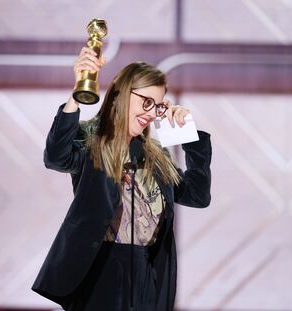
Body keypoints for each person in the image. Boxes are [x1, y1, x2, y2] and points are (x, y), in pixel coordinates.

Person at [31, 47, 212, 311]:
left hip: (148, 271)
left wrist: (189, 137)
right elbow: (56, 158)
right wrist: (78, 91)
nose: (151, 113)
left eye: (158, 105)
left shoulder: (155, 155)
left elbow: (197, 196)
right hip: (102, 270)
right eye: (145, 102)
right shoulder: (91, 142)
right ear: (122, 95)